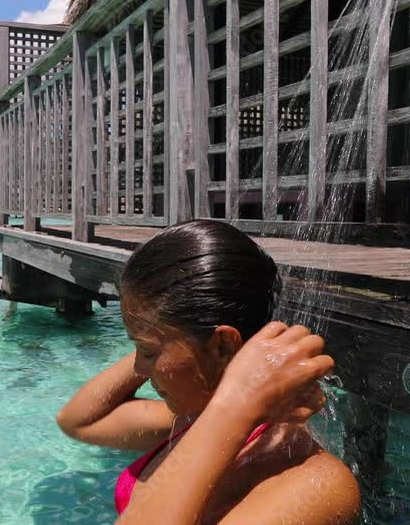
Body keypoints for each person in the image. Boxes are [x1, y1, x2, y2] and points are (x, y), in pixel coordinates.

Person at [56, 220, 360, 524]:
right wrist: (154, 339)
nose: (138, 367)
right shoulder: (190, 420)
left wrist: (237, 402)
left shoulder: (319, 486)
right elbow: (78, 421)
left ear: (223, 346)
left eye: (148, 352)